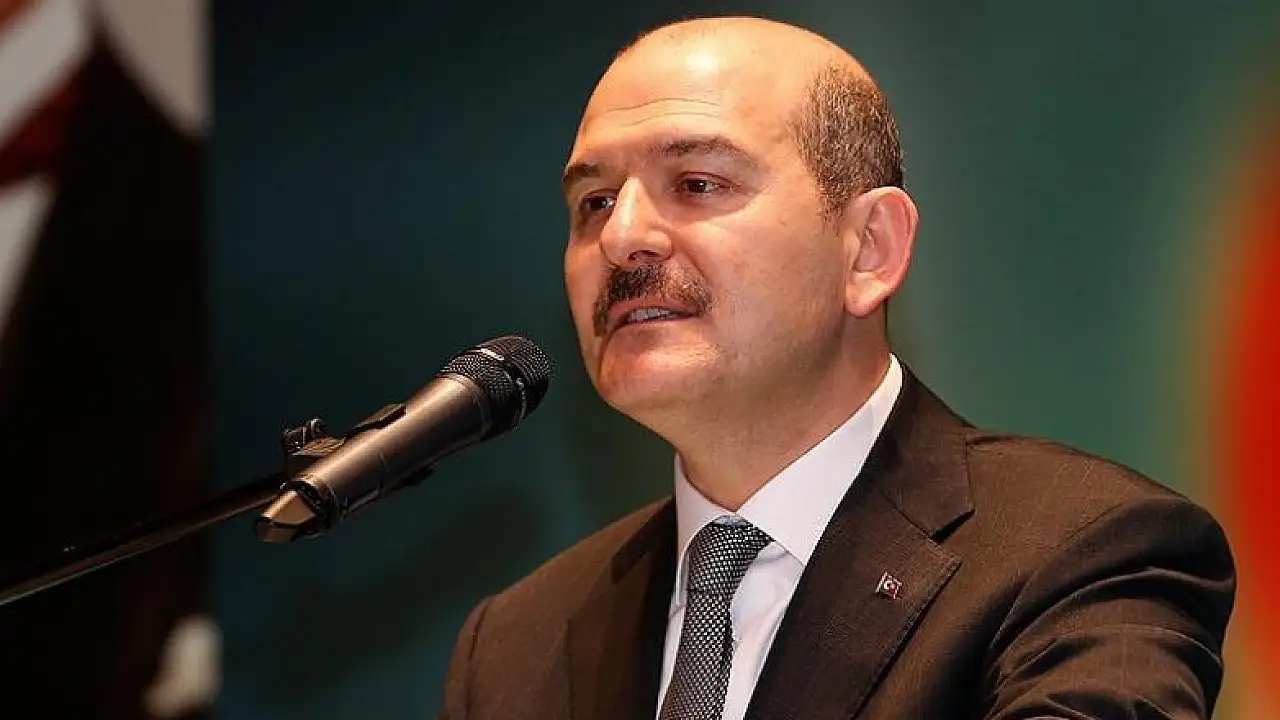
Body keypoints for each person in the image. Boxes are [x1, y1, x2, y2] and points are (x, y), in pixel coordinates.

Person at [439, 15, 1235, 720]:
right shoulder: (515, 643)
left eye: (697, 183)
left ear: (870, 249)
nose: (623, 238)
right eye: (595, 202)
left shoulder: (1084, 552)